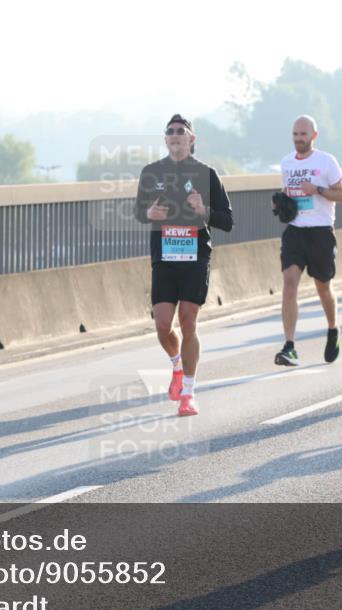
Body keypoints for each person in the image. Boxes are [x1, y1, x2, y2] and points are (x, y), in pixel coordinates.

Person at [134, 114, 234, 417]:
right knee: (163, 325)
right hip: (164, 256)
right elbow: (139, 213)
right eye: (170, 131)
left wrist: (203, 210)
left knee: (188, 321)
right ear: (165, 139)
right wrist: (150, 212)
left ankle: (189, 393)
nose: (175, 135)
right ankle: (177, 367)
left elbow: (227, 221)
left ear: (192, 139)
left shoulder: (207, 174)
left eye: (181, 131)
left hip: (195, 255)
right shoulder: (151, 172)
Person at [274, 115, 342, 366]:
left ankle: (333, 328)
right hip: (295, 231)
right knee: (289, 284)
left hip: (320, 232)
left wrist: (317, 189)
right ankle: (289, 346)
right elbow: (288, 194)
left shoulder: (326, 161)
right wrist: (280, 202)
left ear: (314, 136)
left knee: (323, 288)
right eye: (295, 134)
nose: (298, 139)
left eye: (303, 135)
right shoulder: (286, 163)